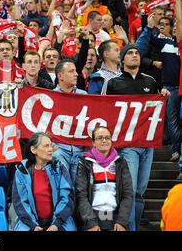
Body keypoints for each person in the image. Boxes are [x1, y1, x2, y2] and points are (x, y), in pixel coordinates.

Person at [106, 44, 170, 231]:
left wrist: (163, 94)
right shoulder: (112, 82)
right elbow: (103, 111)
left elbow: (157, 107)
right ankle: (128, 227)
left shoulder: (150, 81)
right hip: (127, 145)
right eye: (130, 53)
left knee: (140, 192)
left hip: (147, 144)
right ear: (122, 59)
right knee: (130, 190)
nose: (134, 56)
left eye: (137, 53)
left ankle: (130, 225)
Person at [136, 13, 181, 164]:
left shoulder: (180, 43)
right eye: (172, 26)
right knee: (172, 120)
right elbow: (148, 36)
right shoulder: (164, 43)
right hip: (170, 87)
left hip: (179, 86)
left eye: (175, 26)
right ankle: (176, 150)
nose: (174, 28)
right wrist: (145, 20)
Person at [11, 132, 77, 231]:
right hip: (30, 222)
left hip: (58, 221)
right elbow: (20, 202)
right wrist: (33, 225)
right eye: (46, 146)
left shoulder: (59, 167)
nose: (51, 149)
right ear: (33, 150)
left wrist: (56, 224)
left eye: (51, 145)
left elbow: (67, 197)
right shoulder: (22, 170)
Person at [75, 126, 134, 231]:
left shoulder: (120, 162)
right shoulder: (85, 162)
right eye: (100, 138)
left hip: (115, 216)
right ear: (93, 142)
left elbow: (128, 193)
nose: (104, 141)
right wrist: (91, 223)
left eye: (107, 138)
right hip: (92, 216)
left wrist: (122, 221)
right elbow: (81, 195)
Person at [52, 59, 88, 183]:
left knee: (80, 193)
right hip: (59, 150)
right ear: (60, 76)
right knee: (62, 190)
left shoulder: (84, 95)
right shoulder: (50, 97)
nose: (76, 74)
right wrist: (52, 147)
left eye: (76, 71)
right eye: (71, 71)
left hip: (80, 151)